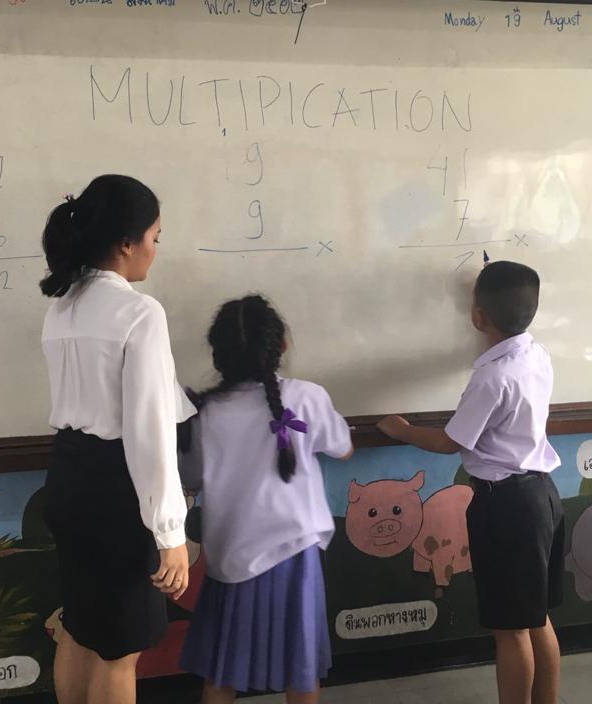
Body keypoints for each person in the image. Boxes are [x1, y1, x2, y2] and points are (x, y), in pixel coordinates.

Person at [377, 261, 564, 704]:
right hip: (542, 497)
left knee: (511, 630)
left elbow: (449, 441)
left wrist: (403, 430)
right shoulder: (536, 355)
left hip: (508, 508)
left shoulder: (493, 376)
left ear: (478, 317)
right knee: (536, 618)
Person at [40, 174, 194, 704]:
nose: (156, 248)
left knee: (80, 626)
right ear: (127, 242)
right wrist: (170, 532)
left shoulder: (63, 305)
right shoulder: (139, 312)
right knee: (119, 650)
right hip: (116, 491)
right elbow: (149, 431)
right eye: (155, 236)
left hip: (68, 478)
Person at [178, 294, 353, 704]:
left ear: (218, 354)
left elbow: (189, 477)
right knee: (301, 668)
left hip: (231, 554)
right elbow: (343, 448)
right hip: (295, 552)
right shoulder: (307, 396)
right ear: (281, 346)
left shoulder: (203, 411)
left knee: (222, 670)